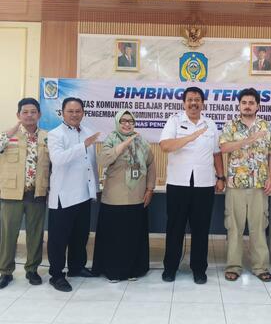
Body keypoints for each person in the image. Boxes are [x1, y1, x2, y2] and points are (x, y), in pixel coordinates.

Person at [159, 86, 225, 284]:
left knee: (201, 229)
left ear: (203, 103)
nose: (194, 103)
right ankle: (170, 268)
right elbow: (165, 146)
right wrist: (191, 137)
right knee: (175, 228)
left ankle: (199, 269)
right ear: (184, 103)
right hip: (178, 183)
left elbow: (216, 153)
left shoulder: (210, 124)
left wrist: (221, 177)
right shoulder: (174, 121)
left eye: (197, 100)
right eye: (190, 99)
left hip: (204, 184)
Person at [219, 87, 271, 282]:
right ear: (239, 105)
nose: (247, 106)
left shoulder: (267, 127)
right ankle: (234, 266)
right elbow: (224, 148)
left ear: (257, 106)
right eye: (244, 102)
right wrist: (248, 140)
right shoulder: (230, 126)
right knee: (234, 227)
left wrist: (270, 178)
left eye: (251, 103)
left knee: (258, 227)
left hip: (259, 185)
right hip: (235, 184)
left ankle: (260, 267)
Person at [92, 110, 156, 282]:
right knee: (114, 237)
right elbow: (103, 160)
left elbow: (151, 165)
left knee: (133, 236)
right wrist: (125, 143)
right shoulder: (111, 139)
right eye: (123, 121)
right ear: (117, 122)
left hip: (137, 196)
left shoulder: (142, 142)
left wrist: (150, 189)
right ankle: (113, 271)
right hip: (114, 197)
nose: (127, 124)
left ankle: (134, 269)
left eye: (130, 121)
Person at [47, 97, 100, 292]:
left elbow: (91, 163)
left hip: (84, 194)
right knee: (59, 239)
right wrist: (82, 146)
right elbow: (58, 159)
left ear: (83, 112)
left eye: (78, 111)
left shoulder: (87, 132)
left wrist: (95, 188)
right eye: (70, 111)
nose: (75, 114)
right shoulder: (55, 134)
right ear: (62, 112)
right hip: (64, 196)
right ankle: (56, 275)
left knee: (80, 236)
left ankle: (76, 267)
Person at [0, 98, 49, 289]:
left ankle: (32, 269)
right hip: (11, 194)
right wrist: (13, 129)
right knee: (8, 234)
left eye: (33, 112)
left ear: (39, 115)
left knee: (35, 234)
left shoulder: (47, 137)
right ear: (18, 115)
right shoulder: (8, 136)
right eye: (25, 112)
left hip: (37, 193)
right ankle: (5, 271)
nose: (29, 115)